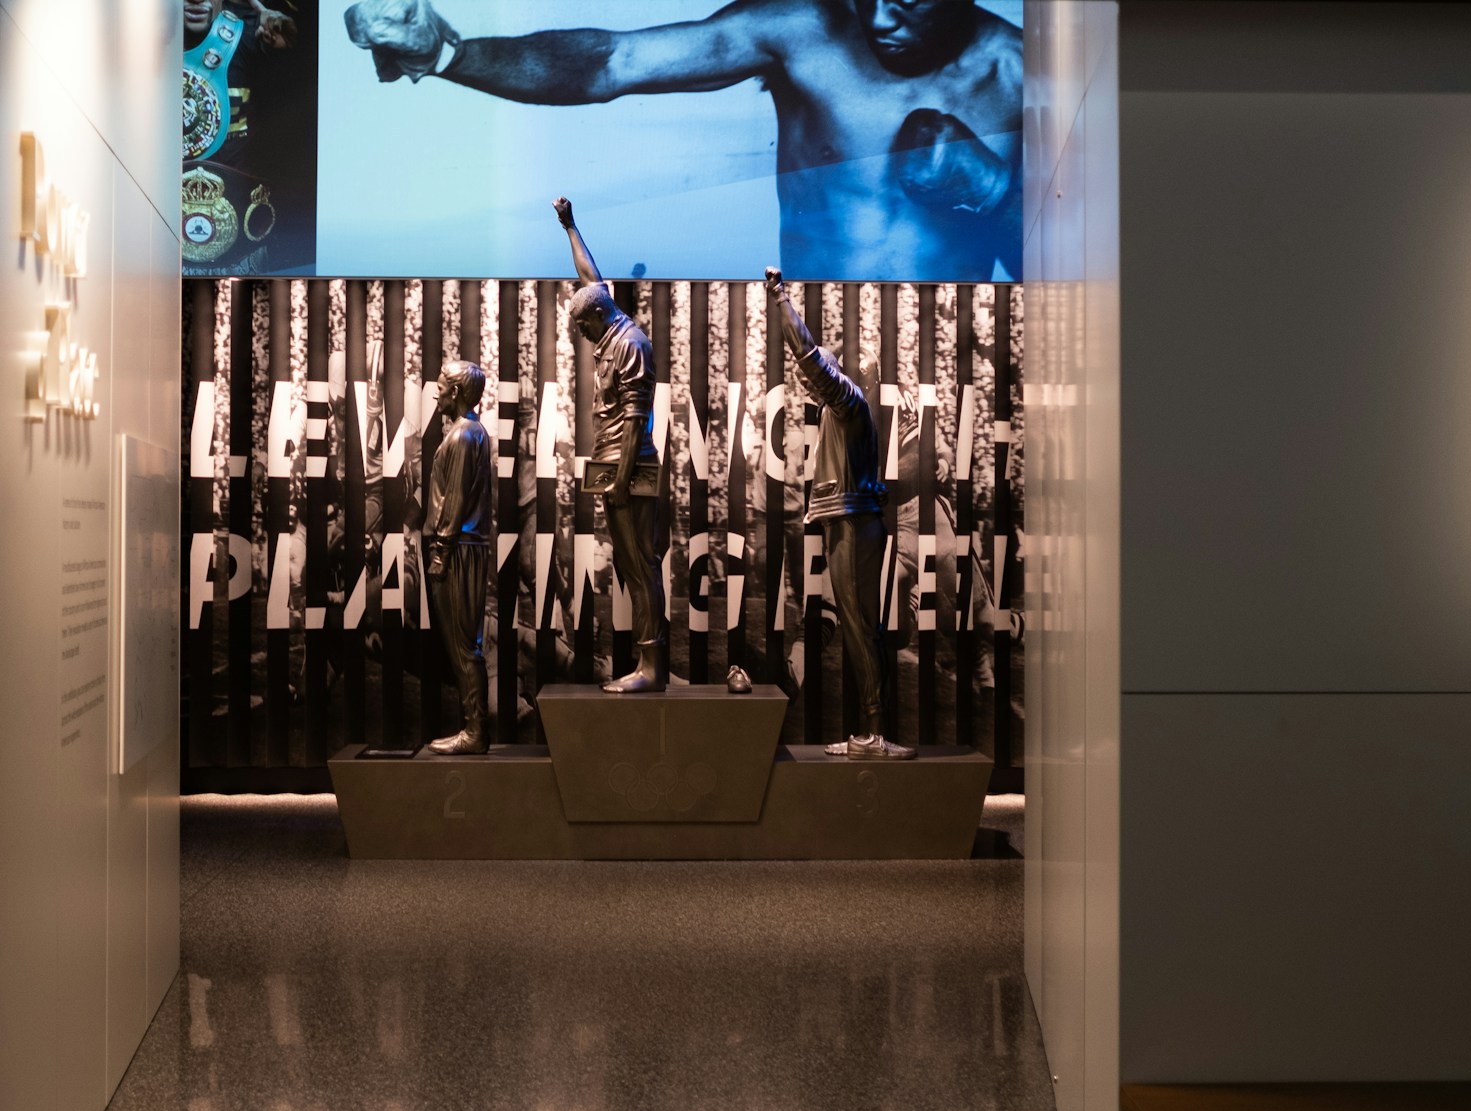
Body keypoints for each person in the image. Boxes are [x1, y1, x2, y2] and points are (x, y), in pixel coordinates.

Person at [341, 0, 1020, 281]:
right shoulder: (805, 27)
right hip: (804, 343)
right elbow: (610, 61)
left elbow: (1073, 278)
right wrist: (447, 55)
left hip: (942, 367)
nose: (876, 18)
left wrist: (993, 192)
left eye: (906, 1)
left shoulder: (1024, 76)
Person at [767, 266, 915, 760]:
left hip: (853, 521)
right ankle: (870, 730)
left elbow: (808, 356)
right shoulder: (846, 410)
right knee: (856, 625)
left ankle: (875, 731)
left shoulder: (849, 402)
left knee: (858, 626)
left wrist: (782, 299)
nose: (812, 384)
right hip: (849, 519)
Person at [555, 197, 670, 694]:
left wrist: (621, 483)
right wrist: (570, 227)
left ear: (600, 316)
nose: (580, 334)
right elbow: (590, 277)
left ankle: (652, 668)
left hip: (631, 469)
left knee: (641, 566)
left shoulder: (632, 345)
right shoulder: (608, 321)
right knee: (629, 564)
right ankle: (649, 663)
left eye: (583, 326)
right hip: (613, 467)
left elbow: (635, 419)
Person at [424, 360, 495, 755]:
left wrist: (441, 551)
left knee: (464, 645)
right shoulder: (467, 433)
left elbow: (453, 500)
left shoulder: (465, 435)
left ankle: (474, 732)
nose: (436, 393)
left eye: (441, 386)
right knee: (463, 645)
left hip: (459, 550)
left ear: (457, 392)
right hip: (463, 547)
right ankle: (473, 729)